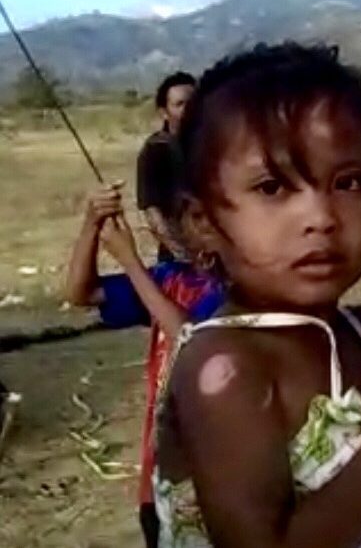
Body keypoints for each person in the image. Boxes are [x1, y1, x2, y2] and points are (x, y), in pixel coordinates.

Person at [153, 43, 361, 548]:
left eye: (348, 182)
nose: (320, 217)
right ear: (202, 221)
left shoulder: (360, 332)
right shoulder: (224, 366)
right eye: (273, 188)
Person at [65, 181, 223, 548]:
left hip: (216, 475)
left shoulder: (239, 289)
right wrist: (93, 223)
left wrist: (130, 262)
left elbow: (191, 338)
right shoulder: (170, 279)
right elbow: (80, 293)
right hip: (161, 476)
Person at [137, 72, 196, 262]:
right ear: (164, 112)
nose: (189, 109)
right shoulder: (156, 151)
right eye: (179, 104)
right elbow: (153, 212)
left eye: (193, 102)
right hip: (181, 259)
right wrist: (183, 255)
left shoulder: (213, 144)